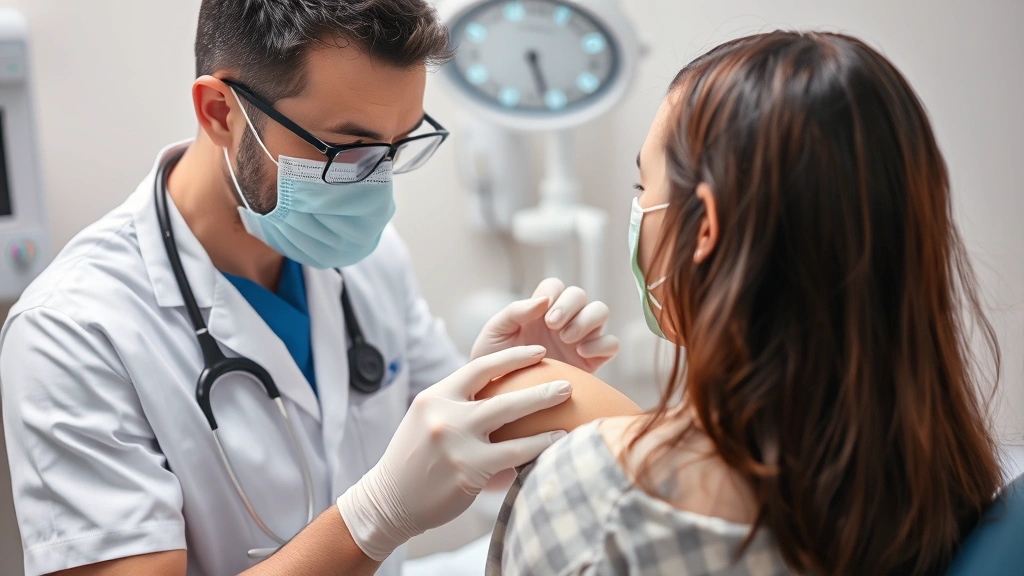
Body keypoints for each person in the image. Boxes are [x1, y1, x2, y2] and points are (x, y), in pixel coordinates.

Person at [0, 2, 620, 575]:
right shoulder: (73, 330)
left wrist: (505, 401)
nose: (375, 188)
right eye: (346, 148)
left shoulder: (367, 260)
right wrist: (375, 516)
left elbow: (466, 466)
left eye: (397, 146)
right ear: (219, 112)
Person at [488, 31, 1004, 575]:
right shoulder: (953, 490)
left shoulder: (596, 508)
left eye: (643, 188)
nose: (638, 208)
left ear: (704, 228)